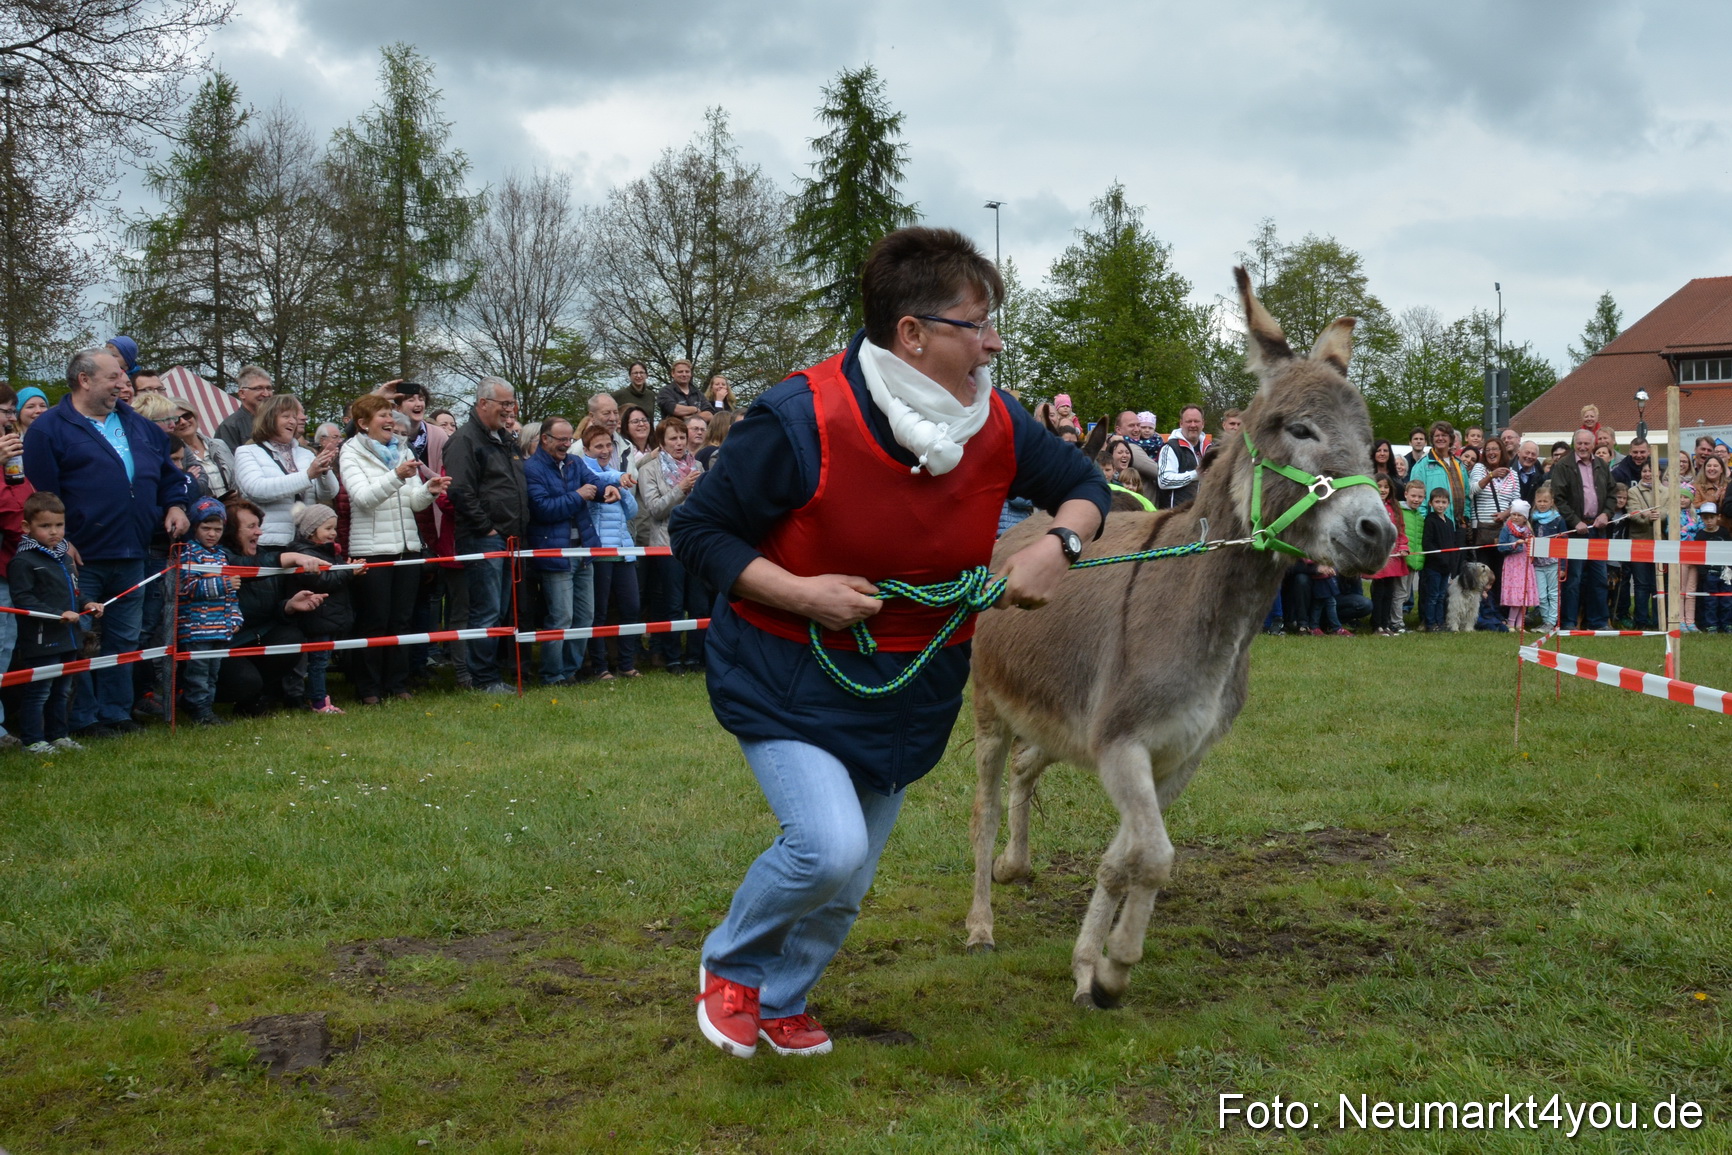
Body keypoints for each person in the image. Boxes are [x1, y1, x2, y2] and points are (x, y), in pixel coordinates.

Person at [670, 226, 1107, 1059]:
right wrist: (801, 591)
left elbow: (1081, 485)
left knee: (850, 878)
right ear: (913, 333)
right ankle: (730, 965)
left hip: (914, 686)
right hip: (787, 671)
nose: (993, 342)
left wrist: (1062, 544)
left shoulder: (997, 420)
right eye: (975, 323)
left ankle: (782, 996)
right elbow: (699, 531)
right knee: (826, 847)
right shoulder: (797, 417)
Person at [22, 346, 194, 740]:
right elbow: (39, 496)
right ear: (85, 380)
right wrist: (59, 543)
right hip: (80, 556)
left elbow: (172, 477)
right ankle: (82, 718)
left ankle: (116, 713)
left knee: (124, 639)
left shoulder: (140, 427)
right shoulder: (50, 428)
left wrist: (177, 505)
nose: (123, 383)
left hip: (133, 553)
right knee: (80, 641)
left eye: (123, 376)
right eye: (114, 377)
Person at [340, 394, 450, 702]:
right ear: (362, 424)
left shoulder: (401, 450)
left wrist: (429, 490)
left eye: (390, 414)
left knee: (402, 620)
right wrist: (395, 476)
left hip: (407, 548)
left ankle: (398, 684)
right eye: (381, 416)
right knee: (374, 620)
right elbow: (362, 499)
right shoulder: (350, 452)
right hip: (372, 550)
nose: (390, 420)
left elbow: (414, 502)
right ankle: (369, 688)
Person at [445, 377, 529, 693]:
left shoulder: (503, 440)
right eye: (503, 404)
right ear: (483, 403)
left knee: (501, 609)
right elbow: (460, 489)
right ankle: (483, 680)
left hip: (510, 538)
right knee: (486, 610)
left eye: (511, 404)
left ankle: (491, 674)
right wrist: (486, 527)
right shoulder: (466, 440)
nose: (509, 410)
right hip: (485, 538)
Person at [524, 416, 622, 686]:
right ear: (545, 439)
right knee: (561, 617)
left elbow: (595, 483)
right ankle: (552, 674)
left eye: (570, 439)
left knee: (584, 616)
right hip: (554, 552)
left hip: (583, 552)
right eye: (562, 440)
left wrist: (608, 487)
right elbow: (542, 509)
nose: (567, 444)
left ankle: (571, 670)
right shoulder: (531, 469)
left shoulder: (574, 462)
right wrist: (579, 496)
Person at [9, 492, 104, 752]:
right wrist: (57, 613)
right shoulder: (23, 561)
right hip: (41, 640)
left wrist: (87, 603)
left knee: (63, 691)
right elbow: (22, 599)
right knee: (39, 692)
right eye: (45, 526)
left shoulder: (63, 557)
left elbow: (74, 591)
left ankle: (58, 735)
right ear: (27, 528)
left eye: (58, 525)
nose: (54, 532)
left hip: (69, 637)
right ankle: (33, 739)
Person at [219, 500, 328, 713]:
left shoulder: (263, 555)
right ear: (231, 531)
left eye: (259, 525)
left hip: (259, 636)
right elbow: (242, 569)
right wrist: (290, 557)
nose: (259, 532)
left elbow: (271, 608)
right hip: (228, 644)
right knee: (246, 681)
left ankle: (258, 696)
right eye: (251, 527)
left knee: (291, 638)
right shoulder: (219, 557)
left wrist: (289, 606)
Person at [636, 416, 705, 671]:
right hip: (666, 544)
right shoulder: (649, 469)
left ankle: (696, 656)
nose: (679, 443)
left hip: (696, 544)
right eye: (673, 439)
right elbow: (654, 509)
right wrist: (681, 488)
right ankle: (673, 657)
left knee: (699, 603)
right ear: (661, 444)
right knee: (673, 604)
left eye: (682, 438)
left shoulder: (697, 465)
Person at [578, 422, 642, 679]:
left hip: (623, 550)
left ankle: (626, 663)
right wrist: (617, 479)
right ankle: (600, 666)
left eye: (608, 445)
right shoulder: (582, 470)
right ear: (586, 449)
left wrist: (623, 490)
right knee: (599, 612)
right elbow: (597, 483)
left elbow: (632, 512)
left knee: (631, 607)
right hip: (599, 553)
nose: (604, 450)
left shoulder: (615, 473)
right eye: (598, 446)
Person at [234, 394, 339, 547]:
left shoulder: (306, 453)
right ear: (269, 419)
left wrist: (324, 470)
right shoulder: (247, 452)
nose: (292, 421)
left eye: (294, 417)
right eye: (285, 416)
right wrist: (307, 475)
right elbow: (257, 489)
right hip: (268, 542)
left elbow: (328, 494)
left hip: (306, 544)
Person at [175, 497, 243, 725]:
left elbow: (231, 596)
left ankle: (206, 709)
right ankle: (198, 710)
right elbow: (187, 587)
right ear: (195, 527)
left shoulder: (222, 555)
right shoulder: (188, 553)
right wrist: (224, 584)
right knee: (197, 673)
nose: (212, 534)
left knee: (212, 672)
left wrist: (235, 617)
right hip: (196, 628)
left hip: (220, 627)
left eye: (217, 529)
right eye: (206, 528)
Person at [284, 502, 355, 711]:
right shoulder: (305, 555)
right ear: (310, 531)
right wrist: (349, 571)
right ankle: (318, 700)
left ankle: (314, 697)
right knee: (318, 660)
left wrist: (350, 570)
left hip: (326, 617)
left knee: (319, 659)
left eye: (334, 528)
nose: (333, 533)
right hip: (316, 618)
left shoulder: (329, 552)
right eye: (328, 528)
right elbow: (323, 580)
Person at [1549, 427, 1615, 630]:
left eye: (1587, 443)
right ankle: (1569, 622)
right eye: (1580, 443)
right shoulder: (1563, 466)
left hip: (1598, 528)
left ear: (1594, 444)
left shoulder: (1602, 465)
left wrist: (1606, 514)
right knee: (1573, 579)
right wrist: (1574, 521)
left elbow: (1613, 493)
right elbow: (1558, 498)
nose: (1583, 447)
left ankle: (1598, 622)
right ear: (1574, 444)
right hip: (1575, 531)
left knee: (1599, 578)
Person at [168, 395, 237, 498]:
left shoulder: (218, 444)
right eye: (176, 419)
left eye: (186, 415)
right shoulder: (174, 454)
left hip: (233, 505)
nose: (183, 422)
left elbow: (236, 477)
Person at [1368, 475, 1409, 635]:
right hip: (1379, 555)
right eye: (1379, 486)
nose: (1383, 490)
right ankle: (1376, 625)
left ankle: (1385, 625)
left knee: (1389, 590)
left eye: (1386, 487)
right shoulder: (1370, 506)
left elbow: (1401, 530)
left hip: (1393, 556)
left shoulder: (1395, 507)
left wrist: (1403, 546)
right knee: (1378, 591)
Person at [1408, 421, 1469, 526]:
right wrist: (1424, 522)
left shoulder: (1459, 465)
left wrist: (1466, 517)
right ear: (1432, 439)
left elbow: (1467, 494)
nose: (1440, 438)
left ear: (1450, 439)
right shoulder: (1422, 465)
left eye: (1444, 435)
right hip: (1435, 524)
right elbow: (1416, 497)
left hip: (1459, 524)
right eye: (1437, 436)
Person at [1419, 487, 1460, 631]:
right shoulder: (1430, 520)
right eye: (1437, 502)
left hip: (1446, 568)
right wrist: (1441, 558)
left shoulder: (1449, 522)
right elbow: (1428, 543)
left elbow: (1453, 545)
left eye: (1443, 502)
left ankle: (1440, 621)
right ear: (1430, 503)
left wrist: (1452, 564)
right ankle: (1430, 623)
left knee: (1442, 595)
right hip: (1434, 566)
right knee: (1432, 596)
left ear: (1448, 504)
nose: (1440, 505)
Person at [1497, 499, 1538, 633]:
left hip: (1526, 565)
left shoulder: (1528, 531)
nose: (1515, 517)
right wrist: (1515, 544)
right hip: (1513, 566)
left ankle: (1520, 624)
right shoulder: (1507, 529)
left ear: (1525, 517)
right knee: (1516, 595)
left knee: (1524, 595)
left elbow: (1534, 550)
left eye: (1519, 515)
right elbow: (1501, 548)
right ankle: (1511, 623)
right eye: (1513, 514)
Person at [1155, 405, 1208, 508]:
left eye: (1196, 421)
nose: (1193, 425)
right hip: (1176, 515)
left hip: (1203, 512)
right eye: (1189, 421)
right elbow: (1164, 480)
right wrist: (1195, 474)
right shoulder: (1170, 448)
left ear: (1203, 424)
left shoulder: (1210, 448)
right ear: (1181, 423)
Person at [214, 365, 275, 452]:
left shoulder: (276, 421)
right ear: (242, 393)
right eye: (258, 388)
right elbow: (228, 462)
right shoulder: (231, 426)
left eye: (269, 388)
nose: (266, 394)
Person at [1692, 503, 1731, 633]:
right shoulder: (1700, 535)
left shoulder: (1724, 532)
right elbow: (1698, 556)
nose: (1709, 521)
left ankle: (1726, 623)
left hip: (1725, 573)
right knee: (1710, 600)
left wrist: (1729, 568)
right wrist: (1704, 573)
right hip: (1709, 573)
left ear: (1718, 517)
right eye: (1705, 518)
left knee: (1727, 599)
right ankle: (1711, 624)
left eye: (1711, 518)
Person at [1530, 485, 1565, 629]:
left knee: (1554, 593)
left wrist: (1562, 566)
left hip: (1553, 563)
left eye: (1545, 501)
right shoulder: (1533, 520)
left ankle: (1552, 621)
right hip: (1538, 564)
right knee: (1541, 595)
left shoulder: (1558, 520)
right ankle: (1545, 621)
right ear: (1535, 502)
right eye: (1540, 501)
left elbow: (1564, 544)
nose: (1542, 504)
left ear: (1551, 502)